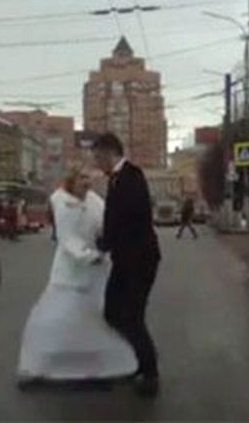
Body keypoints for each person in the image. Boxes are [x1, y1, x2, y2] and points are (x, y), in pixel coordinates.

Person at [16, 167, 137, 384]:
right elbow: (66, 236)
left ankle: (107, 364)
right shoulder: (60, 201)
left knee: (100, 317)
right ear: (71, 180)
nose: (87, 182)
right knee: (54, 317)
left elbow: (106, 224)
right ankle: (36, 367)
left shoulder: (94, 200)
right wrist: (87, 255)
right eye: (82, 177)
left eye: (89, 177)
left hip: (96, 269)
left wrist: (112, 242)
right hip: (70, 270)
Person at [92, 133, 162, 397]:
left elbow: (126, 216)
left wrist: (104, 241)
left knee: (132, 316)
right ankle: (141, 361)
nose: (97, 163)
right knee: (112, 312)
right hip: (125, 259)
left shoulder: (131, 177)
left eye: (98, 158)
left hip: (140, 259)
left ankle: (150, 372)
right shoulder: (117, 180)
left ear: (110, 154)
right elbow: (116, 218)